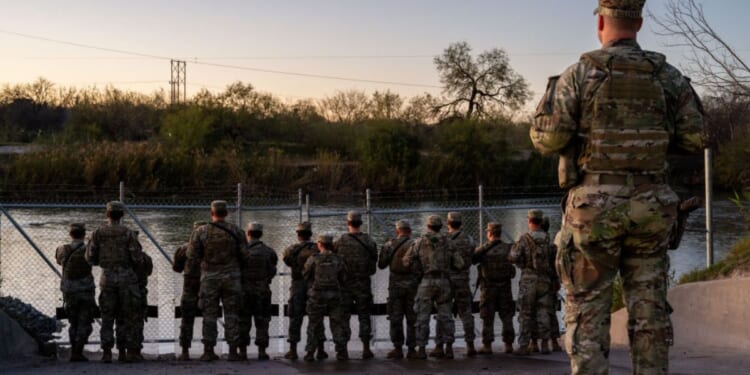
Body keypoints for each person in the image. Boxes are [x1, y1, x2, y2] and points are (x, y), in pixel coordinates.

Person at [530, 0, 704, 372]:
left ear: (601, 23)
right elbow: (696, 137)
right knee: (649, 313)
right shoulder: (668, 76)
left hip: (594, 209)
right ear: (639, 23)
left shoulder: (579, 74)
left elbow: (548, 139)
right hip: (653, 208)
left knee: (588, 313)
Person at [186, 200, 248, 361]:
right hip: (232, 278)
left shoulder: (201, 231)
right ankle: (233, 351)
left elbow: (192, 257)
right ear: (226, 213)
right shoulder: (237, 231)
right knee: (232, 314)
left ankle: (208, 350)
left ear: (211, 213)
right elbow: (245, 256)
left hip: (209, 278)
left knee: (209, 315)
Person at [85, 201, 144, 363]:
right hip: (127, 278)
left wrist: (102, 262)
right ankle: (125, 352)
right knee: (126, 316)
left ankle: (107, 352)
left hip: (107, 277)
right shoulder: (128, 233)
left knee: (107, 316)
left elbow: (89, 257)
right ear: (122, 215)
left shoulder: (97, 233)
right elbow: (137, 258)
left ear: (107, 214)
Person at [403, 215, 464, 360]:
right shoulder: (448, 242)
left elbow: (406, 261)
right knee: (446, 316)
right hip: (444, 282)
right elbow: (460, 264)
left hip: (426, 281)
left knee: (422, 316)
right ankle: (448, 348)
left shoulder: (419, 242)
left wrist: (418, 267)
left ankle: (422, 349)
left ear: (428, 226)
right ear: (441, 226)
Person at [509, 209, 555, 356]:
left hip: (528, 279)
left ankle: (524, 345)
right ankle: (545, 344)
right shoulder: (548, 238)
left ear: (529, 221)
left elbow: (513, 257)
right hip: (545, 280)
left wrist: (522, 262)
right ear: (541, 221)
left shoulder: (524, 238)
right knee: (543, 312)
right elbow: (553, 259)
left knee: (525, 313)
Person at [334, 210, 378, 359]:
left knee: (343, 316)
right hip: (363, 284)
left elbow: (335, 261)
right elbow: (373, 263)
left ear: (348, 223)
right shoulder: (369, 241)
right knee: (364, 315)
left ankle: (343, 350)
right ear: (360, 223)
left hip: (345, 284)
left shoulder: (340, 241)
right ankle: (366, 348)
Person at [281, 221, 326, 360]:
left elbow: (287, 261)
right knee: (316, 318)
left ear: (298, 234)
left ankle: (293, 350)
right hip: (314, 285)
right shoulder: (317, 249)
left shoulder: (291, 250)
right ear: (310, 234)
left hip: (298, 285)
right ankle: (319, 350)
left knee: (295, 317)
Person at [303, 234, 349, 361]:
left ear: (320, 244)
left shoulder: (313, 259)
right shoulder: (339, 259)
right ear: (332, 245)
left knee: (314, 324)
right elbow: (344, 278)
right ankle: (342, 352)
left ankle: (310, 353)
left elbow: (306, 275)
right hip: (335, 295)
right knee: (337, 323)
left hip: (317, 295)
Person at [436, 212, 476, 357]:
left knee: (444, 313)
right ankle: (470, 345)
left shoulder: (442, 239)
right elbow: (472, 254)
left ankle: (445, 347)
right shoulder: (469, 239)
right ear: (461, 223)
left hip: (446, 281)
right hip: (463, 280)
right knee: (466, 313)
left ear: (448, 223)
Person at [472, 222, 516, 355]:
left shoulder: (483, 249)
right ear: (500, 233)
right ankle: (508, 345)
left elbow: (473, 259)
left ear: (489, 233)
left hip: (488, 287)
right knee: (507, 316)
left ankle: (487, 345)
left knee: (487, 316)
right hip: (505, 286)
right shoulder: (508, 248)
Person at [377, 219, 419, 359]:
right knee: (413, 317)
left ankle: (397, 348)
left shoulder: (389, 245)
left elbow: (381, 264)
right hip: (413, 285)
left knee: (396, 317)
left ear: (397, 231)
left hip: (395, 286)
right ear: (410, 231)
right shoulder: (416, 244)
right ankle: (412, 349)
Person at [55, 223, 96, 362]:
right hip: (86, 291)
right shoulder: (89, 250)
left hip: (69, 291)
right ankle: (78, 351)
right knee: (85, 322)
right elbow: (94, 261)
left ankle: (74, 351)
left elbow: (59, 262)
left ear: (70, 234)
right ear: (84, 234)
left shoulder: (62, 249)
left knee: (73, 322)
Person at [239, 223, 278, 361]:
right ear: (260, 234)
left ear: (248, 233)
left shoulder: (241, 251)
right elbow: (273, 270)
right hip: (262, 291)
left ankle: (242, 352)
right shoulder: (269, 251)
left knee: (243, 321)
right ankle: (262, 351)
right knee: (262, 322)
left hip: (244, 292)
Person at [173, 221, 207, 361]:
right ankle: (208, 350)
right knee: (209, 319)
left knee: (186, 320)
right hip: (207, 288)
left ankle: (185, 351)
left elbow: (177, 268)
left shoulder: (184, 249)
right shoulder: (212, 250)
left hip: (189, 289)